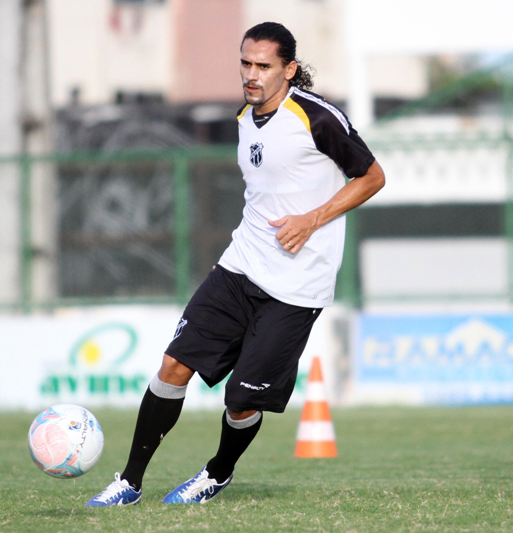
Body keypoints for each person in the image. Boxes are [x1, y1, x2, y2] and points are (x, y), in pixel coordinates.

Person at [86, 21, 385, 507]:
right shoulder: (246, 116)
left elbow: (372, 176)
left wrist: (312, 219)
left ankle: (217, 472)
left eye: (264, 65)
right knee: (172, 366)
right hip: (240, 265)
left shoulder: (318, 118)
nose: (252, 74)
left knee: (241, 400)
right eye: (245, 63)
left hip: (296, 286)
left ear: (288, 70)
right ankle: (130, 481)